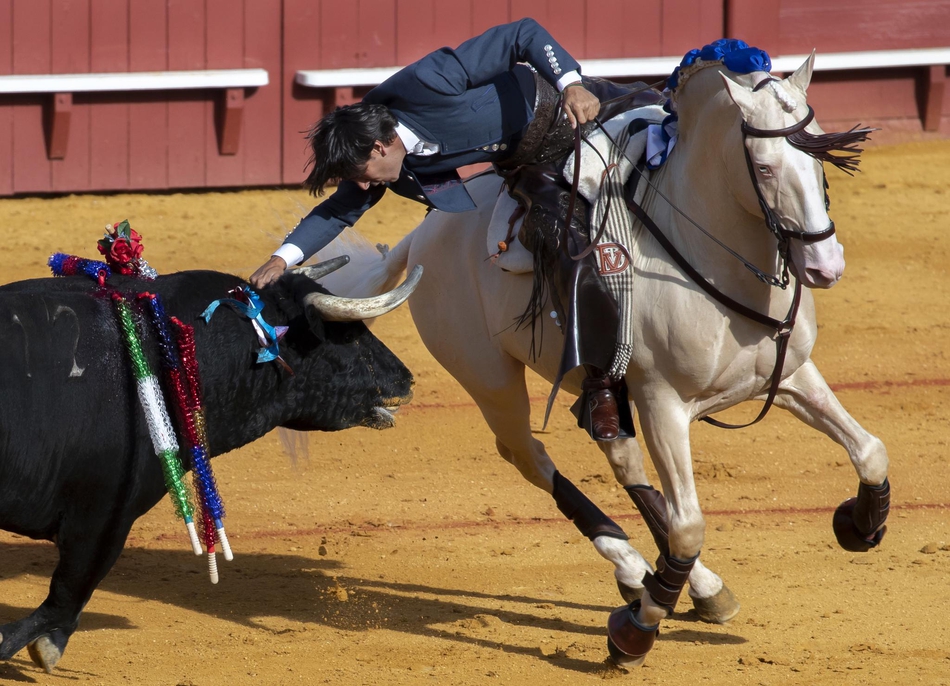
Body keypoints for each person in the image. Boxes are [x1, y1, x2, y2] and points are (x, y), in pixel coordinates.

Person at [250, 18, 629, 440]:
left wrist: (571, 82)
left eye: (363, 173)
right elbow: (338, 212)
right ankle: (600, 383)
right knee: (560, 241)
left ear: (380, 146)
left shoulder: (425, 84)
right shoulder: (383, 164)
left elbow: (521, 34)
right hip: (534, 166)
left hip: (578, 112)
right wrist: (281, 258)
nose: (364, 184)